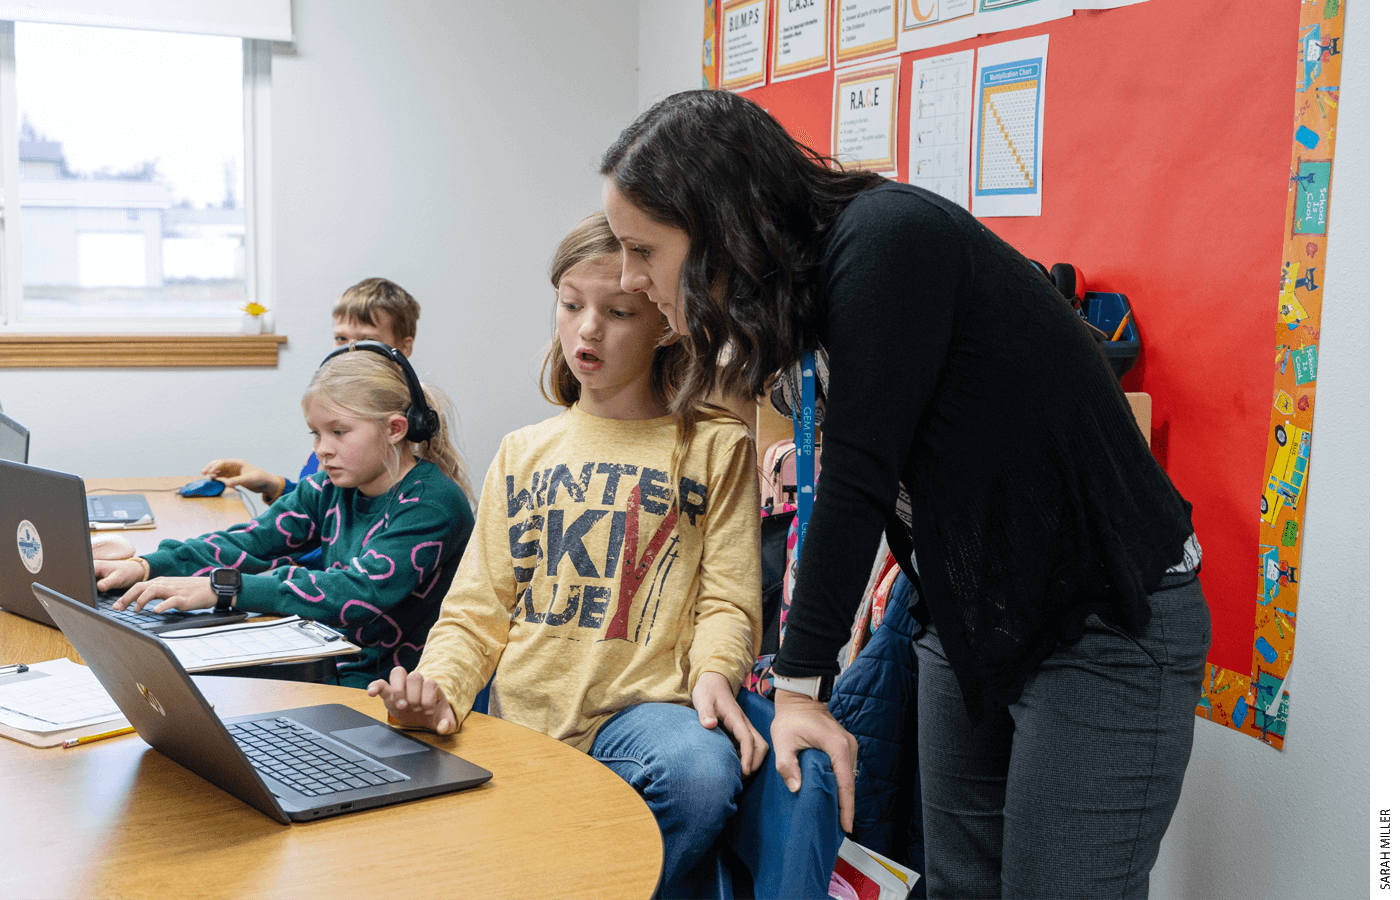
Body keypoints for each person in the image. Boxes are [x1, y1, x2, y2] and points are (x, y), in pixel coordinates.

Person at [599, 89, 1211, 900]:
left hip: (1106, 619)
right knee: (961, 885)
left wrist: (800, 687)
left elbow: (858, 475)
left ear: (718, 223)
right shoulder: (802, 297)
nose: (630, 277)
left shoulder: (887, 241)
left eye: (643, 249)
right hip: (971, 616)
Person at [368, 212, 766, 898]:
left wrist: (716, 673)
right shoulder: (524, 452)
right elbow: (476, 609)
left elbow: (728, 599)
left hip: (642, 717)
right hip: (525, 722)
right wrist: (439, 689)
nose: (588, 329)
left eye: (617, 312)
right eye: (572, 305)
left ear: (665, 320)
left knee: (700, 771)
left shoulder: (716, 446)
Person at [95, 343, 475, 689]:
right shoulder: (330, 487)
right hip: (325, 665)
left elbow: (357, 592)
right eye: (315, 433)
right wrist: (147, 566)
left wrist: (225, 588)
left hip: (387, 691)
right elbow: (251, 542)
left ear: (395, 429)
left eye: (339, 432)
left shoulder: (432, 504)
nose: (322, 450)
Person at [202, 277, 426, 506]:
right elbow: (319, 508)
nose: (350, 351)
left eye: (368, 340)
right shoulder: (333, 413)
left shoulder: (401, 427)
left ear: (404, 347)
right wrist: (271, 484)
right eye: (341, 338)